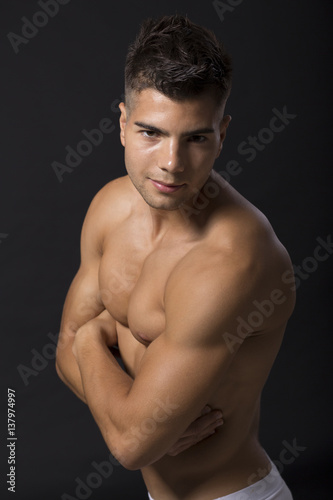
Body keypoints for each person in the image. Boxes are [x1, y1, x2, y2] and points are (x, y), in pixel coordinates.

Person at [56, 14, 295, 500]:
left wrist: (89, 341)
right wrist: (135, 418)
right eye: (151, 133)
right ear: (122, 124)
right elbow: (61, 354)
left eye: (196, 138)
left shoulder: (233, 258)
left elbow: (128, 444)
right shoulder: (109, 208)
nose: (171, 162)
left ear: (222, 134)